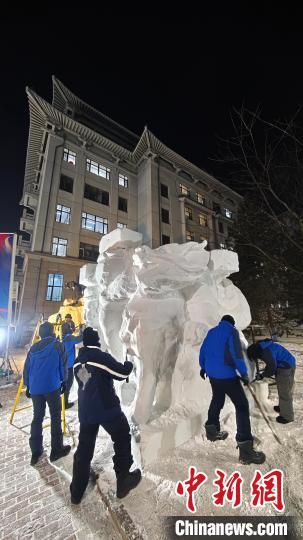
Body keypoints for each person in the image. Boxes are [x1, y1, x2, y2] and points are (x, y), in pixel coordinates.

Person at [70, 327, 141, 504]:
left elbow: (85, 382)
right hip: (106, 408)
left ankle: (76, 491)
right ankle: (124, 478)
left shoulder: (78, 361)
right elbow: (121, 373)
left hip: (86, 411)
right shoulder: (100, 357)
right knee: (122, 435)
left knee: (84, 449)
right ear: (97, 341)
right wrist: (129, 365)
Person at [199, 315, 266, 465]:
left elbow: (203, 350)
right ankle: (245, 449)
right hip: (227, 376)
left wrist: (203, 367)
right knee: (241, 406)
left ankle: (212, 430)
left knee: (217, 398)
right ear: (232, 324)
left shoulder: (212, 332)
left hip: (213, 374)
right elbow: (236, 354)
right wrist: (243, 374)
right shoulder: (231, 332)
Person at [23, 321, 71, 465]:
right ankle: (56, 450)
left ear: (40, 334)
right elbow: (63, 366)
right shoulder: (57, 345)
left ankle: (35, 451)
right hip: (52, 386)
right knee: (55, 416)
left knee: (37, 418)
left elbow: (27, 370)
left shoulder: (32, 349)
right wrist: (64, 381)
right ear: (52, 332)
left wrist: (28, 386)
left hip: (36, 389)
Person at [247, 338, 296, 424]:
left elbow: (272, 368)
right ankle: (283, 407)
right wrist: (265, 371)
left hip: (285, 367)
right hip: (288, 362)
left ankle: (287, 416)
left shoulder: (265, 352)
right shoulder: (263, 346)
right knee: (285, 389)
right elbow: (271, 362)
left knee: (284, 392)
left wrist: (262, 375)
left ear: (256, 353)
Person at [61, 323, 83, 408]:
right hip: (68, 365)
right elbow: (79, 339)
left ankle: (61, 401)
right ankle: (65, 404)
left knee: (62, 384)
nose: (71, 329)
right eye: (70, 328)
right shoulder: (69, 337)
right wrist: (82, 330)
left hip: (61, 365)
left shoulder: (60, 337)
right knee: (68, 384)